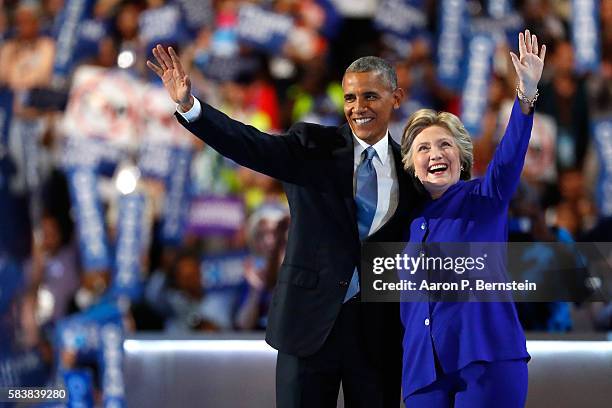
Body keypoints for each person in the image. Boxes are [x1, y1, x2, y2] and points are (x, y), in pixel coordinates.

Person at [147, 48, 423, 406]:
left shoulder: (411, 170)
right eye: (351, 97)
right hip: (307, 323)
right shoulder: (313, 146)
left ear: (396, 98)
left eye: (370, 96)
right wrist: (191, 108)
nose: (359, 107)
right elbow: (249, 144)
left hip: (377, 332)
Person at [399, 30, 545, 407]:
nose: (436, 153)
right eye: (424, 147)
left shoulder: (485, 196)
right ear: (411, 166)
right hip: (423, 373)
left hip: (486, 360)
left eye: (445, 144)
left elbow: (510, 156)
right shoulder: (401, 217)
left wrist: (525, 97)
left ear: (461, 159)